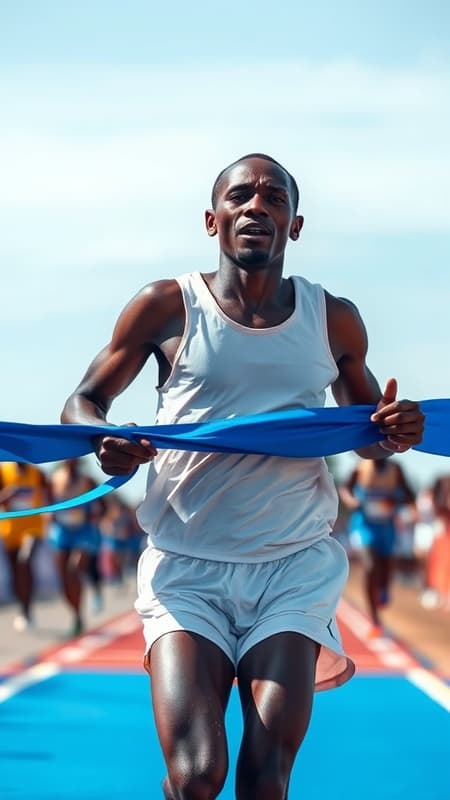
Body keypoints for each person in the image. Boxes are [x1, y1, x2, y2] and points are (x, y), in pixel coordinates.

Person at [60, 153, 424, 799]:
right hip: (186, 568)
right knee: (197, 775)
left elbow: (370, 437)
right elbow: (84, 400)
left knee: (265, 779)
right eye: (240, 196)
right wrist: (103, 439)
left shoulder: (331, 317)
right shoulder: (166, 306)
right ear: (213, 219)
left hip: (291, 568)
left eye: (273, 198)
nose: (257, 206)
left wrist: (393, 431)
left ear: (296, 223)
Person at [339, 458, 415, 635]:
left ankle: (383, 587)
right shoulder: (360, 468)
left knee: (385, 569)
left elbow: (410, 494)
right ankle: (374, 619)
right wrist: (352, 500)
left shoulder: (395, 469)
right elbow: (345, 489)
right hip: (364, 526)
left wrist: (396, 501)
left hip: (386, 528)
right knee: (371, 566)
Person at [48, 458, 104, 636]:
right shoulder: (54, 479)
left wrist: (96, 514)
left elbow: (103, 503)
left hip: (83, 533)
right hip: (62, 533)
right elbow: (48, 503)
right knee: (64, 579)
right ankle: (77, 615)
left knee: (74, 570)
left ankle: (84, 605)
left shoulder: (87, 480)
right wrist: (51, 515)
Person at [0, 461, 50, 631]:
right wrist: (8, 494)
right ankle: (24, 609)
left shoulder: (38, 473)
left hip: (33, 528)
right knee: (16, 572)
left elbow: (50, 497)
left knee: (25, 560)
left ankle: (28, 609)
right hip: (10, 529)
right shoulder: (3, 471)